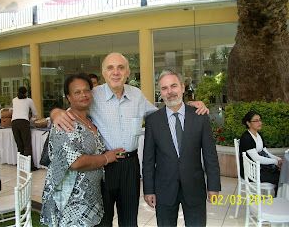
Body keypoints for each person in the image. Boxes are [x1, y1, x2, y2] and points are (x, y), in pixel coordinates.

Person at [50, 52, 209, 227]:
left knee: (129, 221)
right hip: (104, 165)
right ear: (104, 73)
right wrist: (55, 112)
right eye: (110, 68)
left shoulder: (137, 95)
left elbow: (160, 115)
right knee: (104, 221)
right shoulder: (93, 95)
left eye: (120, 67)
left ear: (128, 72)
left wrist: (186, 107)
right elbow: (74, 109)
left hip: (130, 167)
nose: (115, 72)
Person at [40, 73, 124, 227]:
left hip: (91, 199)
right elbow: (76, 162)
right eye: (77, 92)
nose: (83, 95)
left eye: (86, 90)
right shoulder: (65, 123)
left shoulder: (90, 120)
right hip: (71, 202)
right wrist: (106, 158)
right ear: (68, 97)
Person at [143, 69, 221, 227]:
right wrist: (148, 190)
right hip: (164, 190)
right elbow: (148, 160)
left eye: (173, 86)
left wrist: (213, 186)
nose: (170, 92)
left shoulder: (199, 116)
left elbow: (210, 155)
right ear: (161, 92)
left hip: (194, 188)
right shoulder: (153, 120)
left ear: (183, 88)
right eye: (164, 88)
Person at [239, 111, 282, 194]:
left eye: (260, 120)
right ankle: (278, 200)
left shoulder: (259, 135)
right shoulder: (246, 138)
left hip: (260, 168)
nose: (259, 123)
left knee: (281, 175)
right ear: (248, 123)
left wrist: (277, 158)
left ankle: (279, 198)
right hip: (251, 172)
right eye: (255, 121)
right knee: (279, 178)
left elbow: (266, 152)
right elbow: (256, 158)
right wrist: (275, 162)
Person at [11, 86, 38, 171]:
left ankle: (21, 165)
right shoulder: (29, 100)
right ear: (26, 93)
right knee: (27, 145)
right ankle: (30, 166)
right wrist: (33, 119)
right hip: (23, 122)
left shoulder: (14, 100)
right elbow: (35, 112)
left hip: (14, 123)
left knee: (19, 145)